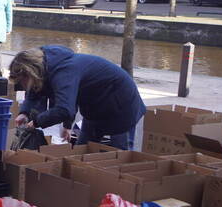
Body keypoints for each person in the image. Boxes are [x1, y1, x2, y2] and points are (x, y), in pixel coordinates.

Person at [9, 46, 146, 150]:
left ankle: (120, 186)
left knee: (120, 154)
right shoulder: (45, 67)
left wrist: (37, 122)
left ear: (31, 73)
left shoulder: (64, 72)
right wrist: (25, 112)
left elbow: (64, 108)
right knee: (83, 150)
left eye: (22, 82)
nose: (22, 86)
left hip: (122, 105)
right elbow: (61, 96)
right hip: (94, 107)